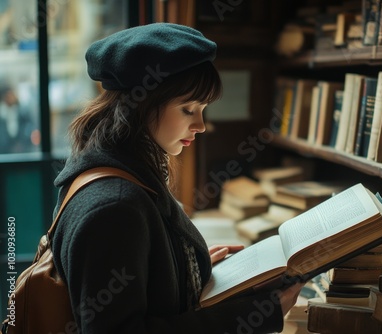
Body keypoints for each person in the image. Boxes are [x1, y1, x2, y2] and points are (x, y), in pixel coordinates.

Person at [51, 22, 304, 333]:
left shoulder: (117, 168)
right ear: (142, 106)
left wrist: (186, 269)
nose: (200, 125)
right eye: (188, 109)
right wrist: (257, 316)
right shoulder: (114, 205)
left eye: (203, 109)